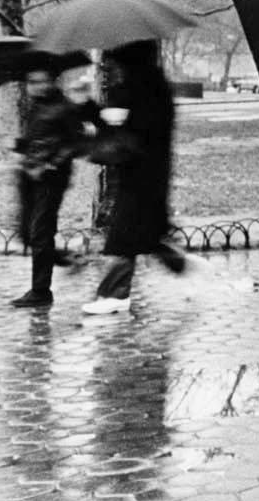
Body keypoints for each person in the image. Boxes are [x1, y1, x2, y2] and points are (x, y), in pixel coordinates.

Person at [82, 39, 193, 314]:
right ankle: (180, 263)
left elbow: (130, 137)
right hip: (145, 174)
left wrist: (98, 114)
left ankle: (114, 295)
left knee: (125, 237)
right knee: (143, 234)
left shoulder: (142, 89)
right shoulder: (148, 85)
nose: (114, 65)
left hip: (142, 175)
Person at [10, 55, 93, 307]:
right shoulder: (35, 106)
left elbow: (77, 143)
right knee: (26, 234)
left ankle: (41, 292)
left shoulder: (65, 107)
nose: (35, 86)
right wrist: (18, 147)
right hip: (29, 176)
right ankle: (71, 259)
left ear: (51, 81)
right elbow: (37, 140)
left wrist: (51, 164)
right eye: (30, 82)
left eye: (40, 81)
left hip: (50, 179)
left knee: (40, 233)